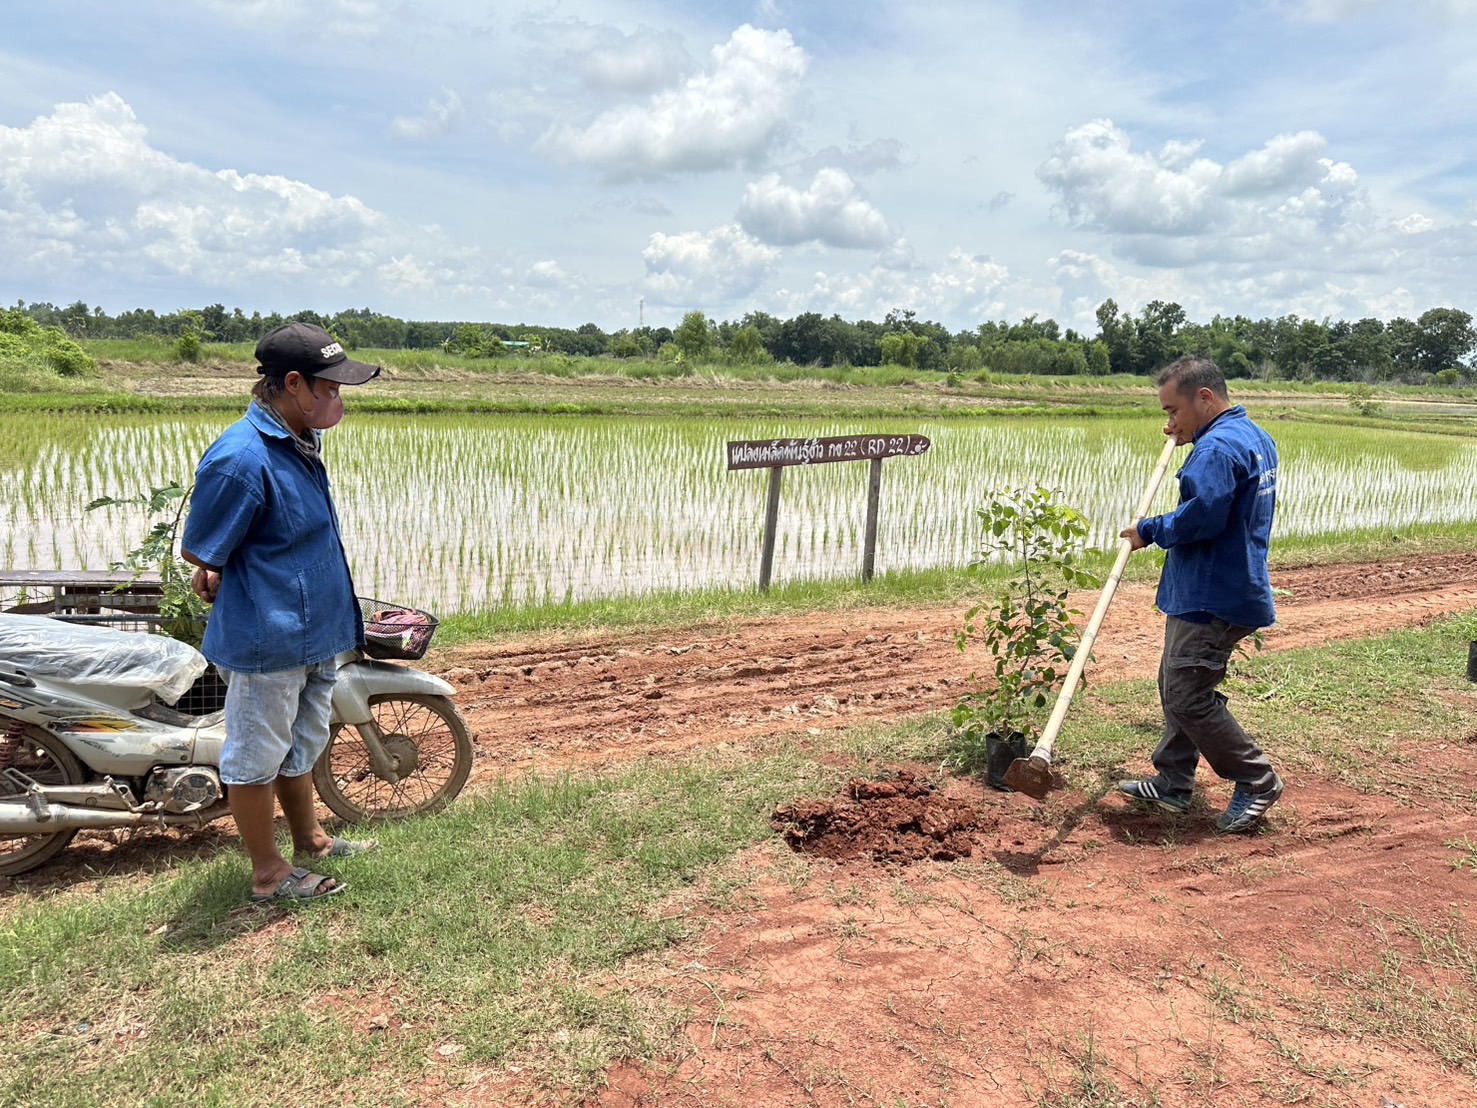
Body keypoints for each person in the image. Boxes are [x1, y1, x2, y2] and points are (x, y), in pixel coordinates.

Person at [181, 322, 381, 901]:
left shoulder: (297, 440)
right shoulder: (242, 457)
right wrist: (215, 565)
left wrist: (223, 563)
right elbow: (202, 547)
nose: (338, 399)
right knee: (255, 758)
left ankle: (311, 839)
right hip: (268, 638)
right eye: (331, 388)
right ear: (294, 384)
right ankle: (269, 873)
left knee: (300, 746)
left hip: (315, 629)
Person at [1116, 356, 1283, 833]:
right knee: (1175, 683)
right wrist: (1189, 435)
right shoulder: (1252, 436)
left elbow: (1202, 517)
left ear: (1205, 398)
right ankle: (1173, 782)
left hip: (1214, 593)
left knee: (1188, 694)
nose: (1170, 423)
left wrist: (1149, 530)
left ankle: (1257, 779)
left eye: (1174, 411)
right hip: (1218, 584)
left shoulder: (1216, 449)